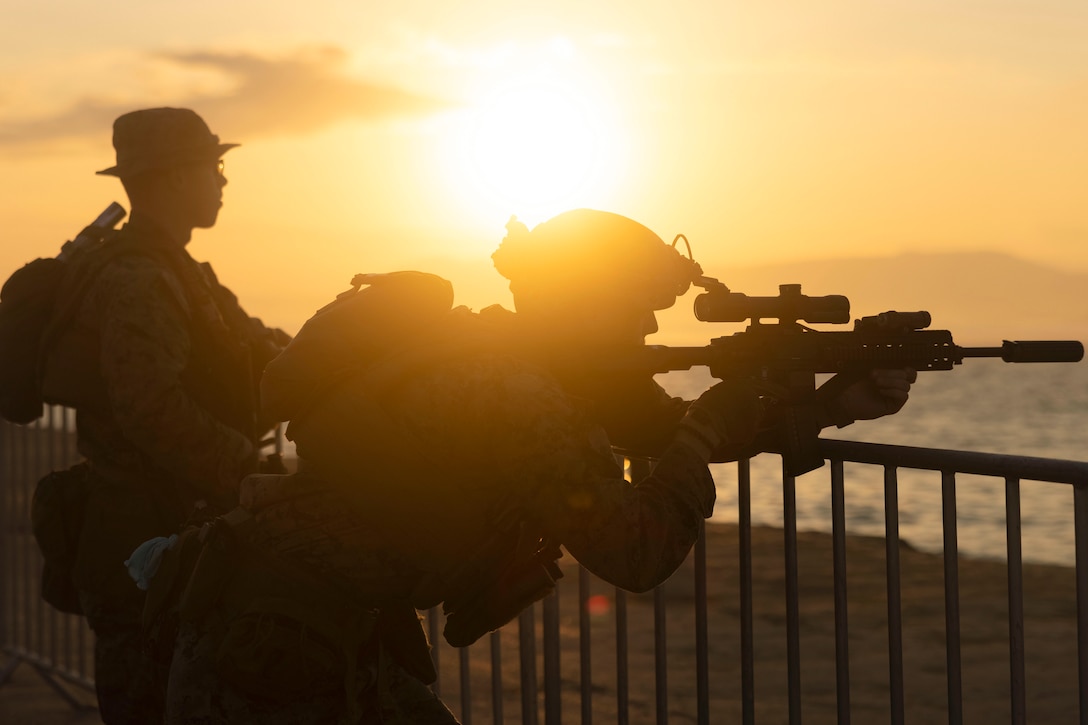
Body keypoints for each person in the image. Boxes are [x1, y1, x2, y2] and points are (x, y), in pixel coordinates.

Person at [157, 209, 915, 723]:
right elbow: (638, 548)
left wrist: (827, 406)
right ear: (583, 302)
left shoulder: (506, 360)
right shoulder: (517, 392)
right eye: (634, 305)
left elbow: (664, 424)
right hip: (275, 650)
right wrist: (701, 433)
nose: (650, 326)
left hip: (313, 629)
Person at [41, 107, 291, 724]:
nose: (224, 181)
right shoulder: (137, 277)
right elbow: (149, 408)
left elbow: (263, 346)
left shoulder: (178, 271)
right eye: (215, 166)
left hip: (170, 536)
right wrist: (250, 474)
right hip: (143, 548)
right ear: (176, 178)